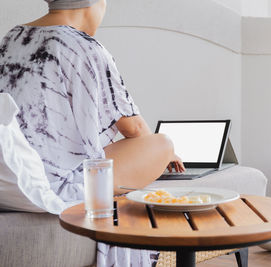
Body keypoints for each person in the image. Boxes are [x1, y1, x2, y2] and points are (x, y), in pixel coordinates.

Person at [0, 0, 185, 265]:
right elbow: (135, 129)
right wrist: (164, 154)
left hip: (13, 171)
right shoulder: (83, 46)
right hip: (52, 185)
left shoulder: (12, 37)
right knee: (162, 144)